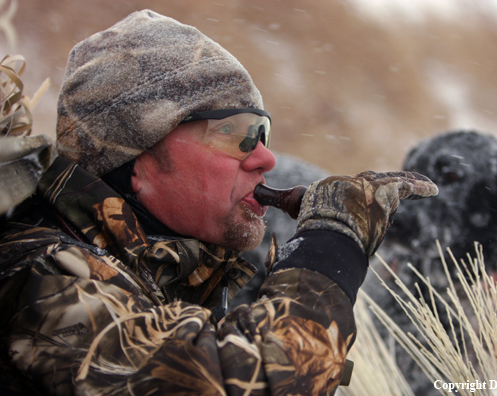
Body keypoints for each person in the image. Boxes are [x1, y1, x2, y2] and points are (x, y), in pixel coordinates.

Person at [0, 10, 437, 395]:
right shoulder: (42, 277)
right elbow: (247, 381)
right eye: (236, 133)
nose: (266, 157)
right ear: (136, 157)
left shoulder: (172, 275)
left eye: (263, 133)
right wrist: (329, 248)